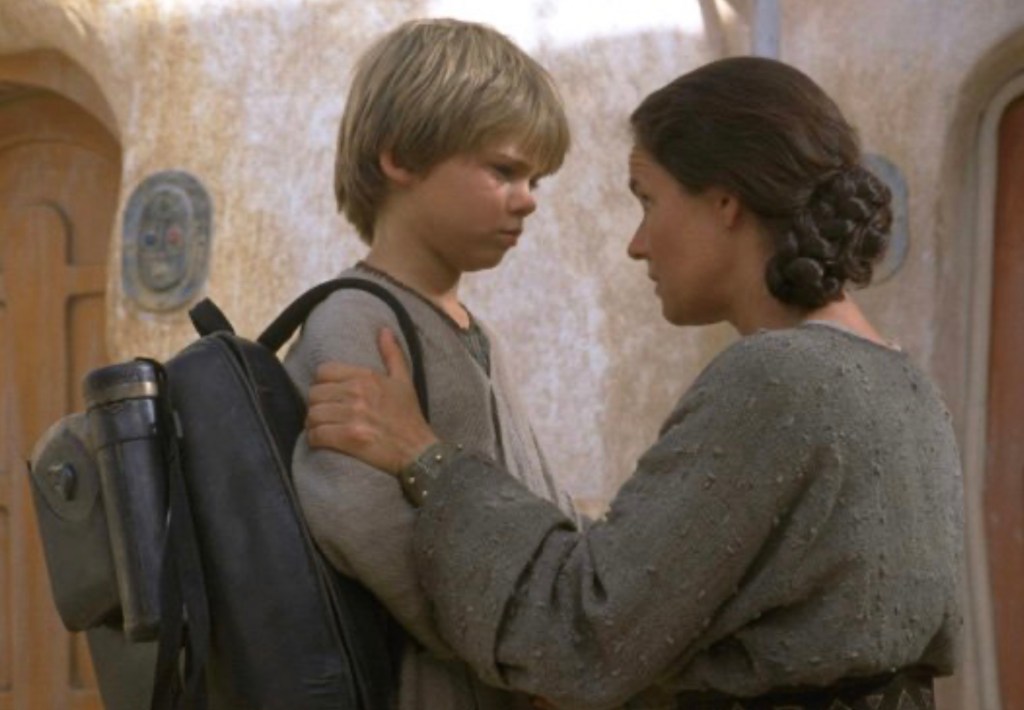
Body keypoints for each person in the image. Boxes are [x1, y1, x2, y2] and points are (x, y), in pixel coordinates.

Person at [303, 56, 964, 710]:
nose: (637, 243)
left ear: (725, 202)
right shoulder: (908, 385)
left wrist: (426, 459)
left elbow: (587, 632)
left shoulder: (778, 377)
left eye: (648, 201)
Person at [284, 18, 575, 710]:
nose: (528, 199)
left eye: (535, 179)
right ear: (401, 158)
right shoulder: (356, 321)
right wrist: (518, 648)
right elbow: (360, 521)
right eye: (504, 170)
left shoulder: (479, 333)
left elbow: (531, 501)